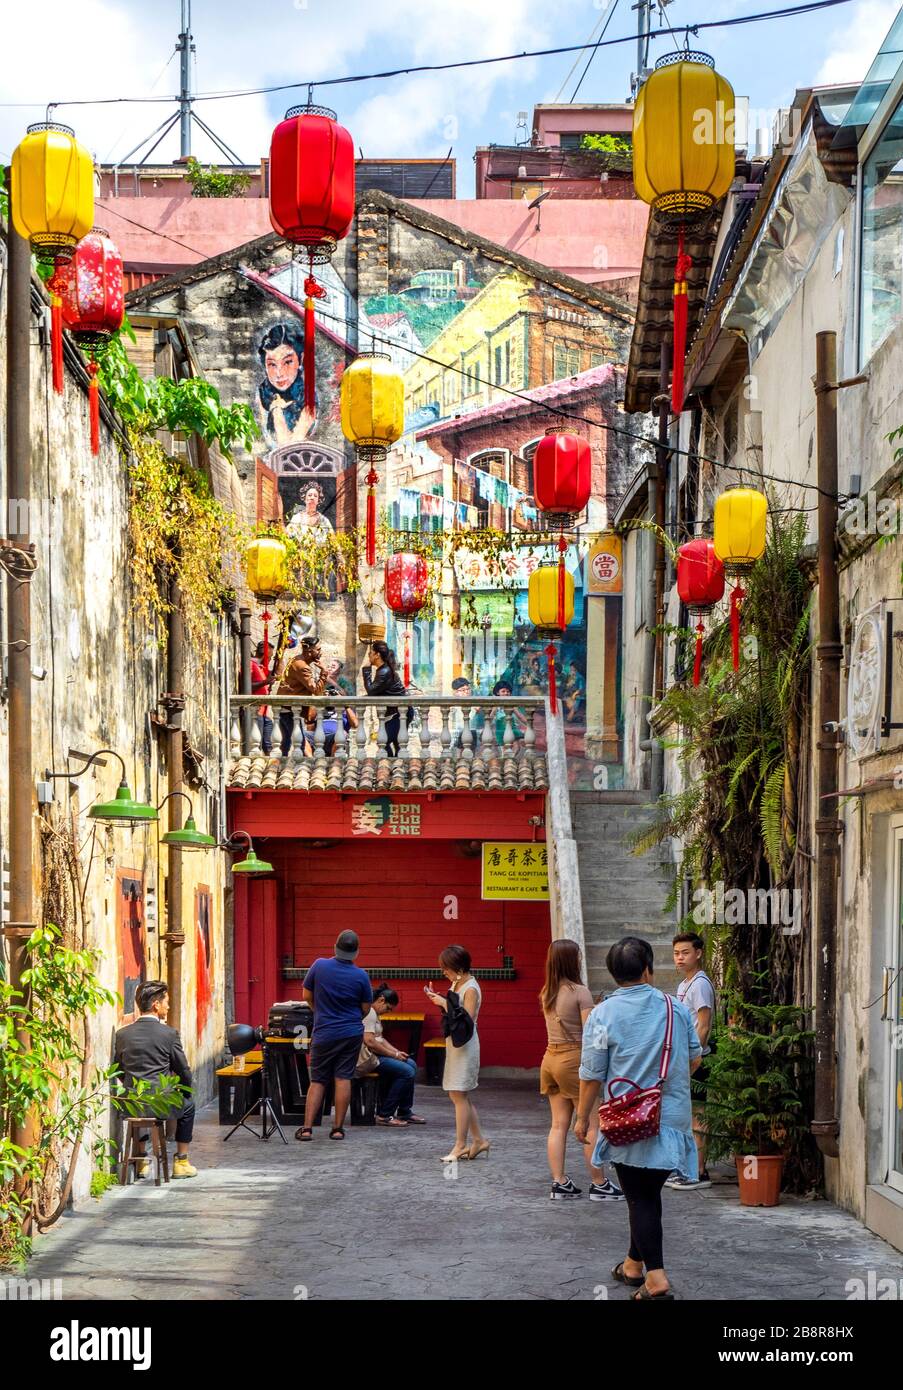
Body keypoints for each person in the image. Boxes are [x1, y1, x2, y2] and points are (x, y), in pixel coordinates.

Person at [575, 936, 701, 1301]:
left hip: (627, 1120)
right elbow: (694, 1057)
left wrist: (582, 1118)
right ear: (648, 969)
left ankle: (657, 1279)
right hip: (671, 1118)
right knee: (645, 1194)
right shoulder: (674, 1008)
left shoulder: (602, 1014)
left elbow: (592, 1074)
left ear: (614, 975)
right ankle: (633, 1265)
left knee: (640, 1199)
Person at [539, 939, 622, 1201]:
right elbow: (590, 1032)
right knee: (590, 1123)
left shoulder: (546, 992)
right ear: (571, 960)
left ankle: (559, 1182)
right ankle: (599, 1183)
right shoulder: (579, 991)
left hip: (549, 1059)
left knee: (557, 1125)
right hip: (574, 1061)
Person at [113, 980, 197, 1179]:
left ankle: (141, 1160)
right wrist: (185, 1090)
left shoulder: (122, 1034)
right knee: (188, 1105)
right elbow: (183, 1070)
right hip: (161, 1103)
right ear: (156, 1005)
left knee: (140, 1108)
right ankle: (182, 1161)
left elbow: (119, 1069)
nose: (168, 1005)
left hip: (130, 1101)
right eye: (166, 1001)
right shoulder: (169, 1034)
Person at [297, 930, 373, 1142]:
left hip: (324, 1031)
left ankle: (306, 1129)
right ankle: (337, 1129)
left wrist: (319, 1011)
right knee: (343, 1078)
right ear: (356, 952)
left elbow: (306, 995)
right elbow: (366, 1008)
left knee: (318, 1080)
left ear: (335, 947)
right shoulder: (361, 975)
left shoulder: (319, 965)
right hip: (350, 1033)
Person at [424, 945, 488, 1163]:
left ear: (458, 967)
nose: (444, 972)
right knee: (458, 1095)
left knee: (459, 1095)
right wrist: (439, 999)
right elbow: (454, 1011)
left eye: (446, 968)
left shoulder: (470, 988)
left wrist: (443, 1003)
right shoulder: (457, 983)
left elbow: (466, 1020)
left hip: (466, 1045)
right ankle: (478, 1140)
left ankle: (461, 1144)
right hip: (455, 1043)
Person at [666, 932, 716, 1190]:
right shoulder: (684, 985)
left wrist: (694, 1059)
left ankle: (698, 1172)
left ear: (698, 953)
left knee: (698, 1115)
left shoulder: (700, 984)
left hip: (698, 1060)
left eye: (685, 953)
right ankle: (687, 1168)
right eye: (676, 953)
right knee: (686, 1115)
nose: (680, 958)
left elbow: (704, 1026)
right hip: (686, 1058)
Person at [356, 983, 426, 1126]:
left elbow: (380, 1038)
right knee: (406, 1071)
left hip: (374, 1056)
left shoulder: (375, 1014)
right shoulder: (369, 1013)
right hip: (366, 1059)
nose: (387, 1011)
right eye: (387, 1008)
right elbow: (369, 1041)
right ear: (381, 1000)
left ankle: (405, 1111)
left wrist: (397, 1052)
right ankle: (385, 1115)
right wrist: (393, 1055)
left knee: (411, 1063)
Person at [257, 322, 315, 446]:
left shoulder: (307, 395)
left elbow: (288, 449)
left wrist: (277, 410)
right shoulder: (263, 392)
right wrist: (276, 408)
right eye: (272, 364)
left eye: (287, 362)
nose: (279, 373)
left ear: (301, 359)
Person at [276, 634, 328, 756]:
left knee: (287, 743)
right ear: (310, 651)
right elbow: (317, 691)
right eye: (318, 650)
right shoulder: (302, 666)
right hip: (289, 709)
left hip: (286, 708)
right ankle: (307, 767)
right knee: (301, 743)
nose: (321, 652)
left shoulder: (296, 660)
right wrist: (324, 673)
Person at [361, 641, 407, 756]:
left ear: (377, 655)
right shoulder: (383, 670)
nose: (369, 656)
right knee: (398, 745)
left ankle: (392, 766)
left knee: (384, 741)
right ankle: (395, 767)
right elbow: (377, 691)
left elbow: (371, 691)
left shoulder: (384, 671)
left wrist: (366, 670)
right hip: (395, 713)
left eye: (370, 653)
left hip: (398, 713)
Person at [250, 640, 273, 754]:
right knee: (256, 745)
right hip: (256, 711)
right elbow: (247, 686)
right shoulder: (251, 664)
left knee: (268, 745)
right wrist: (265, 682)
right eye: (270, 657)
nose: (270, 660)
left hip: (265, 712)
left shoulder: (261, 667)